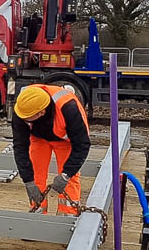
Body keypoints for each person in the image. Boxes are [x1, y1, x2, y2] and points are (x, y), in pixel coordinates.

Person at [12, 83, 91, 215]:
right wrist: (28, 181)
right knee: (36, 174)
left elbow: (82, 145)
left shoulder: (69, 108)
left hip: (64, 141)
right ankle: (37, 210)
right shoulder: (22, 110)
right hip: (39, 139)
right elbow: (20, 147)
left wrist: (66, 174)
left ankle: (68, 213)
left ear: (42, 112)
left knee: (69, 180)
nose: (24, 120)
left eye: (28, 119)